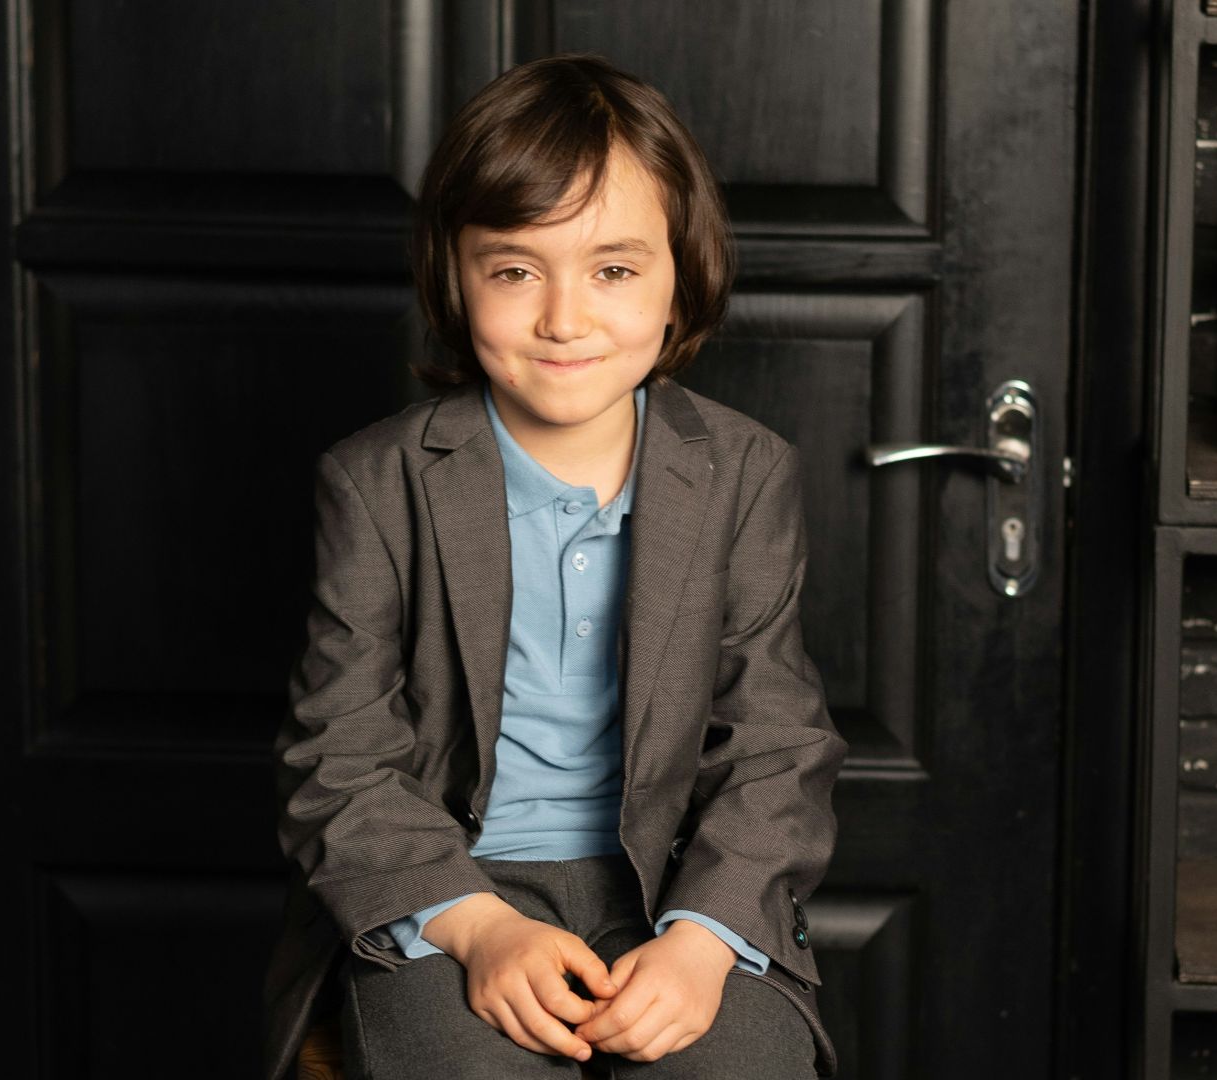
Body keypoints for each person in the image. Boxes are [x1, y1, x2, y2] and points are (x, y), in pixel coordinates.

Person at [259, 52, 847, 1080]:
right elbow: (336, 755)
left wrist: (704, 941)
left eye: (613, 270)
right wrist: (477, 926)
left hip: (677, 890)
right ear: (456, 279)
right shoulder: (376, 481)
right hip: (451, 890)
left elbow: (775, 746)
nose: (564, 318)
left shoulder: (746, 472)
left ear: (679, 279)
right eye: (515, 270)